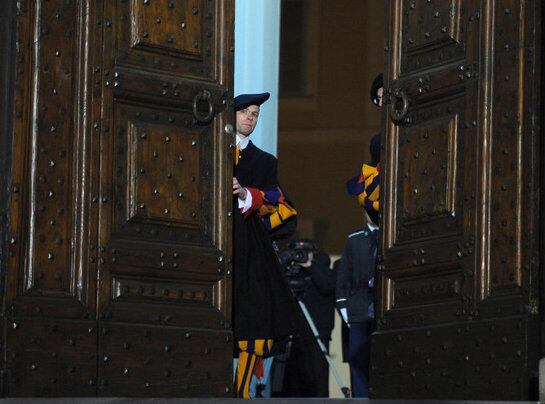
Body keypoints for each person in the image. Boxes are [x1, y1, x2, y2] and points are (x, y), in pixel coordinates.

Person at [232, 92, 298, 399]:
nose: (250, 117)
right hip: (214, 242)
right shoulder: (209, 148)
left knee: (254, 320)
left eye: (255, 113)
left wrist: (246, 193)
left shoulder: (264, 161)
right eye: (245, 111)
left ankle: (241, 392)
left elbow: (276, 203)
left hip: (250, 246)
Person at [335, 73, 383, 398]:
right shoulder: (355, 240)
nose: (381, 104)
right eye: (377, 100)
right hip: (359, 306)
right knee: (359, 355)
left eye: (384, 97)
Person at [277, 240, 335, 398]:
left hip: (317, 334)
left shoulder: (322, 270)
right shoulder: (289, 273)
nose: (300, 256)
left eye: (304, 252)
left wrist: (310, 265)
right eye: (297, 253)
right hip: (292, 333)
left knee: (317, 380)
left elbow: (328, 286)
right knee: (291, 382)